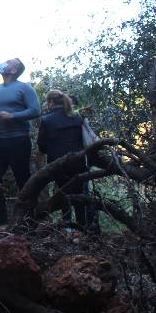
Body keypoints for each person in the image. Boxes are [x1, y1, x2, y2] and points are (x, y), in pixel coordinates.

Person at [0, 58, 41, 225]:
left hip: (19, 139)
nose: (4, 63)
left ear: (14, 70)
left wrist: (13, 115)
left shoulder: (24, 88)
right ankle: (0, 216)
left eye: (9, 62)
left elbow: (36, 110)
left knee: (22, 178)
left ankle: (28, 218)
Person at [37, 90, 90, 226]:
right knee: (81, 194)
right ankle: (83, 226)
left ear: (51, 102)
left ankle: (67, 225)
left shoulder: (46, 120)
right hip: (78, 162)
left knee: (63, 193)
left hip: (58, 164)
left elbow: (42, 146)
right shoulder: (77, 117)